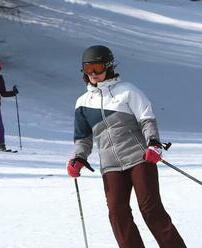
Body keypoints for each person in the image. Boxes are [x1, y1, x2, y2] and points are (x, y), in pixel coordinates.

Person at [66, 45, 186, 248]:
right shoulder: (83, 103)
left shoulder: (127, 91)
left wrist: (154, 144)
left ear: (109, 66)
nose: (93, 74)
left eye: (97, 67)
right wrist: (79, 157)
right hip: (111, 165)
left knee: (150, 208)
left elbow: (146, 119)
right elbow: (83, 138)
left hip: (140, 158)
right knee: (117, 213)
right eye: (88, 69)